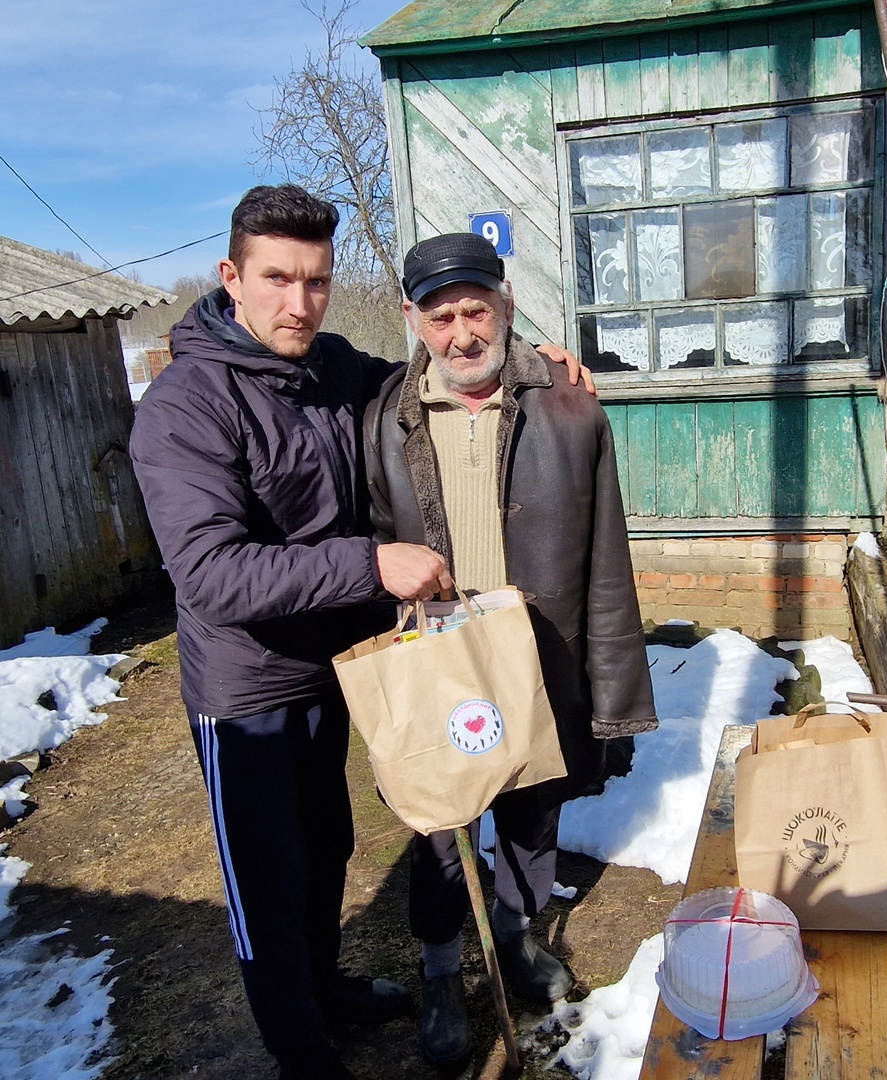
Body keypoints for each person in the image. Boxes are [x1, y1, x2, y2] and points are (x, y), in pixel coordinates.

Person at [128, 187, 585, 1080]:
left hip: (334, 668)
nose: (298, 304)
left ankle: (325, 986)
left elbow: (442, 368)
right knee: (268, 879)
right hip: (245, 690)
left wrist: (534, 363)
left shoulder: (332, 364)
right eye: (276, 280)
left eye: (316, 282)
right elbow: (213, 575)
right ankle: (301, 1050)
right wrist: (370, 567)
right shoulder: (184, 407)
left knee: (327, 847)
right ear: (232, 277)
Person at [363, 232, 659, 1070]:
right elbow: (377, 540)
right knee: (439, 828)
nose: (461, 334)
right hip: (438, 662)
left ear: (506, 308)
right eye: (441, 316)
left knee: (531, 817)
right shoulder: (386, 414)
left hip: (538, 652)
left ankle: (518, 942)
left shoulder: (569, 405)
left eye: (474, 310)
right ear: (415, 322)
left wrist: (611, 693)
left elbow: (606, 554)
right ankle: (440, 973)